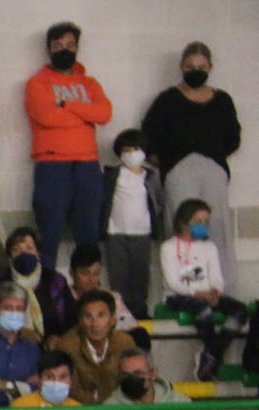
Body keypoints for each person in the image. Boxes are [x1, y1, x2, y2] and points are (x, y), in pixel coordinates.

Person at [143, 41, 243, 288]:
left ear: (210, 67)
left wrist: (214, 157)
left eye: (200, 66)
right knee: (184, 230)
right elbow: (149, 135)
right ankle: (189, 290)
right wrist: (165, 160)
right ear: (181, 67)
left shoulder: (222, 100)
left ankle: (220, 289)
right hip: (179, 169)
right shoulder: (167, 99)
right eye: (190, 66)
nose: (195, 70)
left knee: (216, 228)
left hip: (213, 169)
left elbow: (233, 137)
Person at [24, 21, 112, 274]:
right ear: (49, 49)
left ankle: (88, 291)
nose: (65, 50)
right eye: (58, 45)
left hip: (87, 165)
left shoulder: (90, 83)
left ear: (77, 48)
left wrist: (67, 104)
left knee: (89, 236)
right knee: (49, 234)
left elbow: (104, 113)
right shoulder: (37, 83)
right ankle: (47, 292)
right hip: (52, 165)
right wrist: (85, 114)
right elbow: (46, 116)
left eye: (71, 45)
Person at [161, 198, 249, 382]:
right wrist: (199, 293)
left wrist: (216, 291)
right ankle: (213, 359)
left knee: (240, 311)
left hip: (208, 295)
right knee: (204, 310)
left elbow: (216, 278)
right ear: (183, 222)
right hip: (179, 297)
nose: (203, 226)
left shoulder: (209, 247)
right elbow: (174, 282)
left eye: (206, 222)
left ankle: (210, 354)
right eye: (198, 222)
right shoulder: (168, 247)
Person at [100, 129, 167, 321]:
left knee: (140, 274)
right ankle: (120, 314)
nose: (131, 153)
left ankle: (140, 312)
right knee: (118, 275)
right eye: (126, 149)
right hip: (116, 232)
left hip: (142, 232)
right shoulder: (112, 174)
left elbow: (159, 201)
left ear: (144, 151)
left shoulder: (151, 176)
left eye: (135, 148)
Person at [0, 227, 75, 341]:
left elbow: (71, 319)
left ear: (38, 253)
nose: (23, 253)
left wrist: (58, 339)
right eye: (16, 250)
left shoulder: (56, 281)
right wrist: (18, 332)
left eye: (29, 248)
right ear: (9, 257)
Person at [56, 290, 138, 405]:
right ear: (80, 321)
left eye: (101, 316)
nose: (95, 324)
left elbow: (131, 384)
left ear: (112, 320)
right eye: (88, 317)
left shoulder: (124, 343)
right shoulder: (67, 346)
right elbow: (69, 391)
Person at [67, 242, 148, 350]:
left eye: (95, 273)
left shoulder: (112, 298)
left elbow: (132, 328)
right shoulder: (62, 298)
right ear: (71, 273)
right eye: (85, 273)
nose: (91, 280)